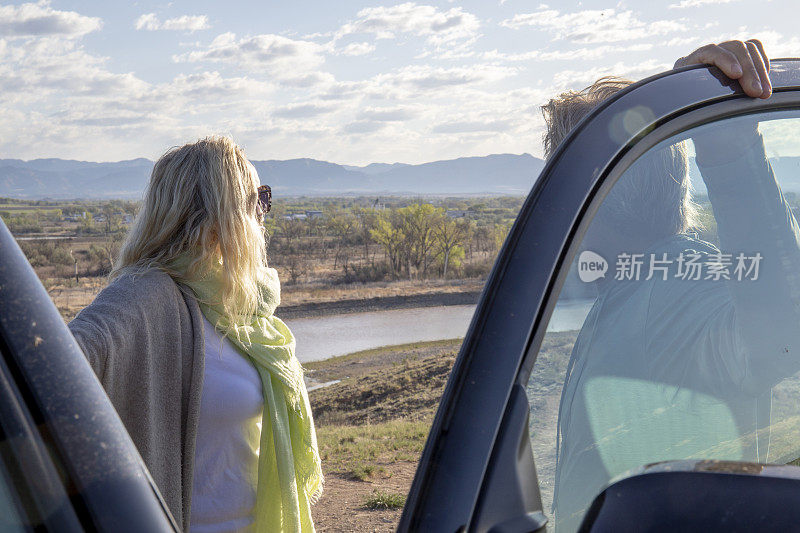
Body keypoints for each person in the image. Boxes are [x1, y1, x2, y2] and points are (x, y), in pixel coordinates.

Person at [545, 40, 800, 531]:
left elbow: (783, 335)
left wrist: (730, 149)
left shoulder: (673, 289)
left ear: (596, 197)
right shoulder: (633, 283)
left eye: (564, 189)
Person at [68, 137, 322, 532]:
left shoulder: (239, 306)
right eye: (259, 199)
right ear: (222, 210)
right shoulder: (145, 297)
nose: (264, 212)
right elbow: (59, 360)